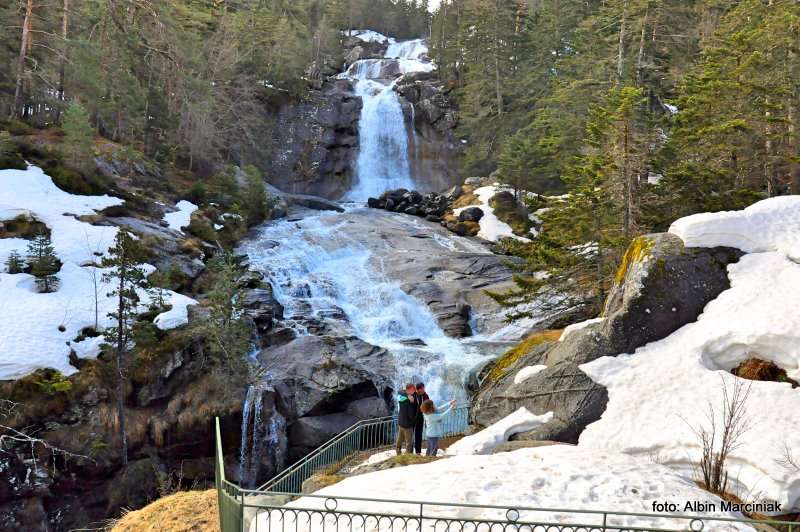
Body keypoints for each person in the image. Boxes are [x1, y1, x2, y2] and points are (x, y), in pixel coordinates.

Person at [396, 383, 418, 455]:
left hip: (401, 422)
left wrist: (407, 395)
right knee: (409, 442)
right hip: (407, 425)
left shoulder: (401, 396)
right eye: (413, 390)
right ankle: (407, 456)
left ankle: (398, 453)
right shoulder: (408, 401)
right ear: (408, 390)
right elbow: (411, 414)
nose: (414, 391)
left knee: (399, 440)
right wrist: (412, 402)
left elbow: (400, 391)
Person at [413, 382, 430, 454]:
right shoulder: (412, 395)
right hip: (412, 418)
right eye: (423, 388)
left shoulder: (425, 395)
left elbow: (429, 405)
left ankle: (418, 452)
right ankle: (410, 452)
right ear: (418, 389)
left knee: (418, 435)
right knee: (410, 436)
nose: (424, 390)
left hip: (420, 418)